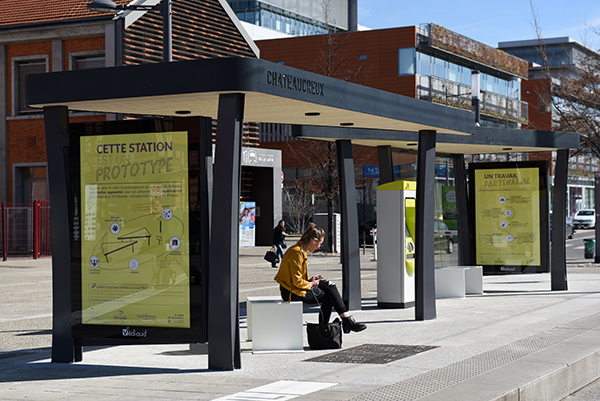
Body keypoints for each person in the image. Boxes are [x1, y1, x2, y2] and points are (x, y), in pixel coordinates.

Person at [274, 223, 367, 333]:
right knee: (329, 291)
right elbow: (296, 282)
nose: (319, 247)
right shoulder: (297, 252)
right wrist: (313, 284)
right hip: (291, 292)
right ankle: (342, 321)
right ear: (314, 241)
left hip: (293, 288)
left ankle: (339, 322)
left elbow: (296, 278)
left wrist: (310, 280)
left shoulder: (300, 250)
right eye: (320, 244)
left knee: (328, 289)